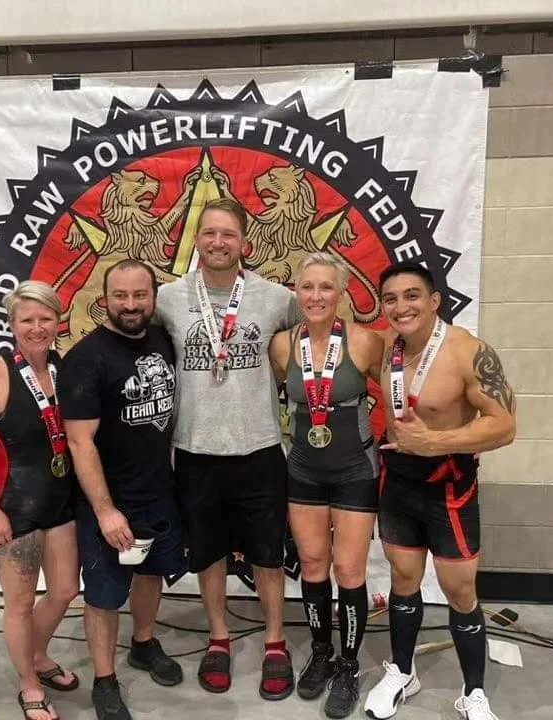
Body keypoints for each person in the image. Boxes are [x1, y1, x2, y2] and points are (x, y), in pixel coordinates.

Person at [155, 197, 300, 701]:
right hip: (195, 450)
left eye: (228, 234)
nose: (218, 242)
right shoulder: (167, 298)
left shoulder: (277, 298)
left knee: (268, 554)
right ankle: (218, 637)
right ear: (197, 240)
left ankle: (275, 640)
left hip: (258, 447)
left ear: (245, 244)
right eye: (209, 233)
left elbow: (318, 336)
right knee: (208, 553)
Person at [363, 261, 516, 720]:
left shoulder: (468, 351)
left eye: (412, 296)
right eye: (391, 299)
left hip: (450, 489)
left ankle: (473, 693)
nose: (401, 307)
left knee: (460, 590)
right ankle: (403, 672)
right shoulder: (385, 347)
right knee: (403, 580)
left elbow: (504, 426)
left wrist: (435, 442)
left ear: (434, 301)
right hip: (397, 483)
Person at [57, 259, 186, 720]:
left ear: (154, 297)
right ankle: (105, 679)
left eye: (139, 295)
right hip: (108, 500)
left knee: (150, 574)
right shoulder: (85, 360)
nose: (130, 305)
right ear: (105, 299)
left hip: (159, 490)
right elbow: (80, 441)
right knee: (104, 594)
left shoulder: (163, 340)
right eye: (120, 296)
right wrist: (106, 510)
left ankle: (144, 644)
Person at [268, 252, 384, 718]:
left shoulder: (365, 342)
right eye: (308, 287)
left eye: (326, 287)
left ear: (341, 292)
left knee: (349, 570)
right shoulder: (282, 345)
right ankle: (321, 654)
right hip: (304, 469)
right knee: (314, 565)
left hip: (355, 469)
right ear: (297, 291)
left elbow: (400, 391)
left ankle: (349, 667)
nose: (316, 296)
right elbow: (278, 395)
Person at [0, 280, 79, 720]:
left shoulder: (64, 369)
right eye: (27, 319)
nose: (37, 327)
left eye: (45, 318)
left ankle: (38, 654)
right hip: (12, 505)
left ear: (58, 322)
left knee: (64, 591)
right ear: (11, 325)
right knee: (21, 603)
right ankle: (29, 684)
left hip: (59, 502)